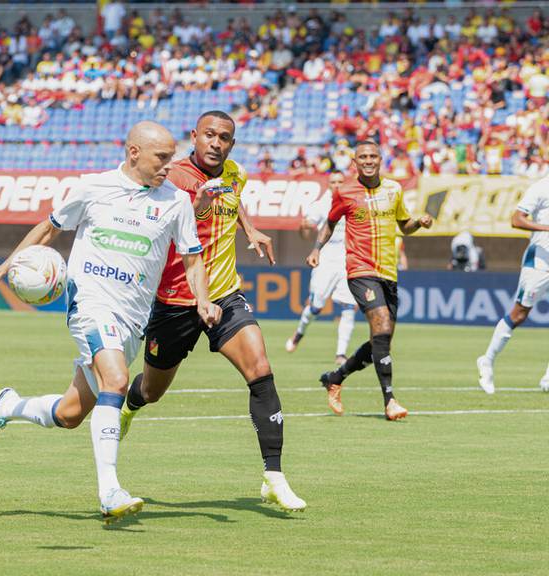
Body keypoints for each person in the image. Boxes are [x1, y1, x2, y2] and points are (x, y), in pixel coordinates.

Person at [0, 121, 221, 523]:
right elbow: (47, 231)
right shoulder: (92, 187)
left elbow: (192, 259)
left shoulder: (176, 202)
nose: (168, 166)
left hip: (134, 319)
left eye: (171, 158)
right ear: (133, 152)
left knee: (70, 414)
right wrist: (1, 270)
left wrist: (203, 300)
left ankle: (10, 405)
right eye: (161, 157)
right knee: (117, 382)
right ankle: (110, 492)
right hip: (90, 305)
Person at [118, 110, 307, 512]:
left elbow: (232, 198)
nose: (216, 143)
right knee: (152, 390)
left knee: (260, 368)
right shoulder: (172, 178)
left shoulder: (235, 172)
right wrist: (200, 210)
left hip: (223, 294)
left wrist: (250, 228)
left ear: (232, 144)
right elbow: (168, 227)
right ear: (195, 136)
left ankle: (273, 476)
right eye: (209, 135)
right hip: (175, 300)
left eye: (224, 137)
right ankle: (130, 407)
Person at [308, 140, 433, 420]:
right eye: (362, 156)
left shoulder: (394, 189)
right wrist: (317, 249)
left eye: (372, 156)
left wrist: (419, 222)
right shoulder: (345, 192)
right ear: (355, 162)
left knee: (381, 338)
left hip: (388, 273)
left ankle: (335, 377)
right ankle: (390, 401)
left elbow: (405, 226)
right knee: (382, 324)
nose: (367, 160)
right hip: (360, 270)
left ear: (380, 159)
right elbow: (330, 222)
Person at [477, 177, 549, 393]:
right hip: (540, 260)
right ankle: (487, 360)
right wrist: (545, 227)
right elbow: (516, 220)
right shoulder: (541, 188)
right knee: (519, 314)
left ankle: (547, 379)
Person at [286, 170, 358, 374]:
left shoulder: (353, 202)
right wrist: (304, 228)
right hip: (326, 260)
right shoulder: (320, 205)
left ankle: (341, 353)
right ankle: (299, 333)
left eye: (340, 181)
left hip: (348, 260)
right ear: (328, 185)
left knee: (348, 307)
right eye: (333, 182)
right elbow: (306, 233)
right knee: (316, 306)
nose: (337, 185)